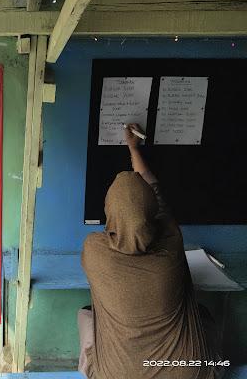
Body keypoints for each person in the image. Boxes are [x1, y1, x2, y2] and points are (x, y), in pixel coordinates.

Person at [78, 124, 218, 379]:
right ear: (152, 211)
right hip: (186, 373)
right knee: (205, 318)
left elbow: (131, 212)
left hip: (116, 374)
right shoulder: (171, 243)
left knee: (86, 315)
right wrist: (133, 147)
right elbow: (153, 191)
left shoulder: (93, 250)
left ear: (108, 211)